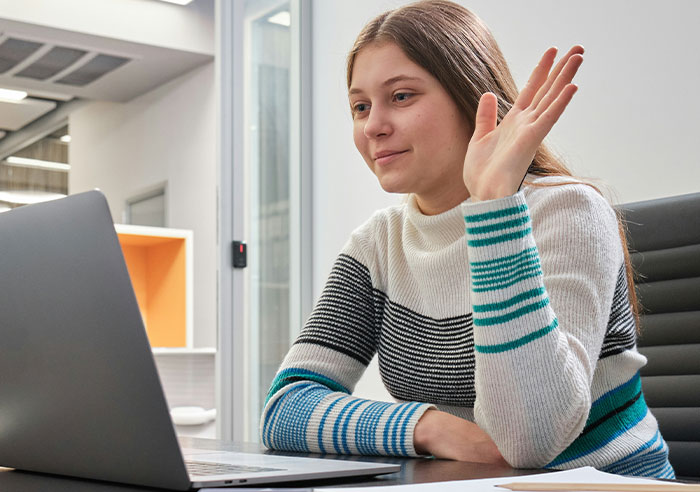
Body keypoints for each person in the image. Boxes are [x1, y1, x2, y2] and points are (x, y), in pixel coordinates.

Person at [260, 0, 674, 478]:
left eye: (401, 96)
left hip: (605, 486)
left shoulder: (568, 210)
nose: (372, 125)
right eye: (360, 106)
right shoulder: (378, 244)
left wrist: (494, 207)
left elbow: (530, 441)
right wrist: (428, 427)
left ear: (472, 97)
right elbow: (287, 406)